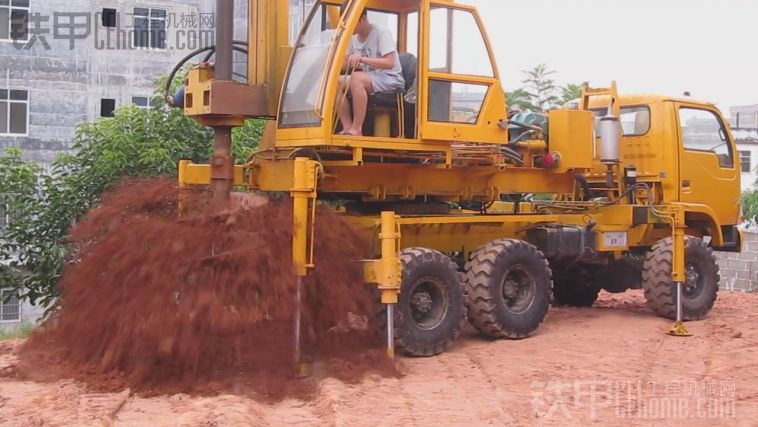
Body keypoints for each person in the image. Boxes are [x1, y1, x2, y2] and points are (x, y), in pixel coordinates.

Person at [337, 10, 405, 136]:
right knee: (335, 82)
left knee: (356, 78)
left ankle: (357, 128)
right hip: (371, 78)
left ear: (363, 18)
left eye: (351, 22)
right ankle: (347, 127)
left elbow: (389, 62)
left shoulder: (381, 33)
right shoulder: (352, 39)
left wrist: (363, 59)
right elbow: (345, 64)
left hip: (390, 78)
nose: (349, 26)